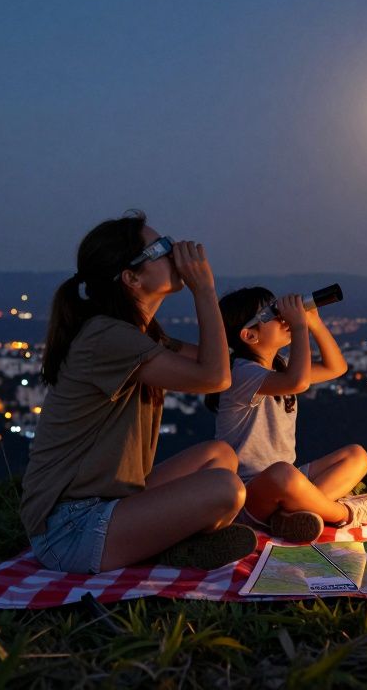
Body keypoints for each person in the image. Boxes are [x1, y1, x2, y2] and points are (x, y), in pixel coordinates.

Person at [20, 211, 256, 574]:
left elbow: (216, 360)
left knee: (219, 455)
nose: (173, 252)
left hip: (112, 502)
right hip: (70, 529)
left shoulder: (141, 335)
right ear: (131, 278)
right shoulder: (108, 336)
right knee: (226, 489)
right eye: (160, 248)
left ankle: (171, 544)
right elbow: (215, 377)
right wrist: (204, 289)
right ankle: (172, 546)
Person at [205, 287, 367, 542]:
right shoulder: (241, 373)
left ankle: (291, 515)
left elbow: (335, 367)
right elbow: (298, 382)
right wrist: (298, 326)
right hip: (246, 492)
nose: (282, 318)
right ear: (249, 335)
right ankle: (346, 513)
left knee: (356, 455)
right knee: (283, 473)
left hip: (285, 480)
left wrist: (313, 322)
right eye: (273, 314)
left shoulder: (279, 368)